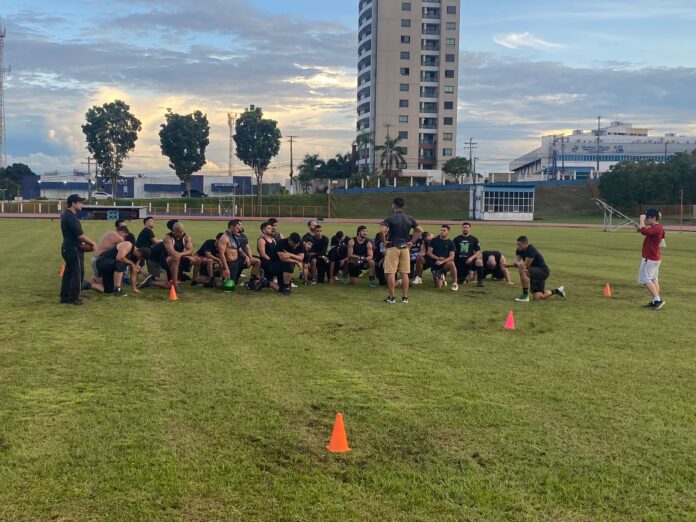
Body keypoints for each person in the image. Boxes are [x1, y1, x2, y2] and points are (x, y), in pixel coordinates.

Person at [380, 197, 423, 304]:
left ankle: (392, 297)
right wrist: (411, 241)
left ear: (393, 205)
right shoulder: (409, 218)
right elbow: (420, 231)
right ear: (403, 206)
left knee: (391, 272)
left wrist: (384, 241)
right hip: (405, 248)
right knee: (404, 273)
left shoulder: (390, 218)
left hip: (393, 247)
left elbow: (382, 231)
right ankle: (405, 298)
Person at [60, 194, 96, 305]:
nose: (81, 204)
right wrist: (93, 243)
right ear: (73, 203)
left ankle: (65, 296)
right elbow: (80, 235)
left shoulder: (66, 214)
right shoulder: (70, 216)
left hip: (68, 247)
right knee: (77, 273)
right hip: (73, 248)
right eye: (79, 202)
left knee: (69, 273)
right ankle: (73, 298)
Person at [513, 236, 565, 302]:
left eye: (519, 244)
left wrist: (519, 265)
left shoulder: (531, 250)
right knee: (538, 297)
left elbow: (526, 266)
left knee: (523, 270)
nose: (517, 246)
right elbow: (515, 261)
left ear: (525, 244)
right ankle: (558, 291)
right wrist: (518, 264)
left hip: (542, 271)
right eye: (517, 244)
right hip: (534, 271)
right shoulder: (519, 250)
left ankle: (525, 296)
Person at [637, 208, 666, 309]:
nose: (646, 219)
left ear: (654, 218)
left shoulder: (657, 228)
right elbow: (646, 231)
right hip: (654, 257)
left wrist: (641, 222)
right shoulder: (658, 228)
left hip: (650, 257)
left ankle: (658, 299)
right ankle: (655, 300)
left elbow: (644, 231)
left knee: (646, 279)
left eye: (648, 218)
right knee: (654, 280)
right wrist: (642, 227)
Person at [162, 222, 195, 291]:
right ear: (174, 231)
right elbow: (172, 253)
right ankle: (175, 284)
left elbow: (190, 250)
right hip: (167, 259)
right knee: (175, 259)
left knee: (197, 260)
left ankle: (195, 281)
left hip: (180, 256)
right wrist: (182, 254)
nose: (182, 233)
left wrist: (181, 254)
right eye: (180, 232)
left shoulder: (186, 237)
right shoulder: (167, 238)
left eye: (183, 231)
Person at [427, 225, 458, 290]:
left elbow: (452, 256)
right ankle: (442, 278)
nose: (442, 232)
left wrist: (442, 261)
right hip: (435, 264)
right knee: (438, 286)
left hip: (445, 264)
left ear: (448, 232)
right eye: (441, 230)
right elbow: (429, 253)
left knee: (451, 263)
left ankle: (454, 283)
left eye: (444, 230)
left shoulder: (451, 243)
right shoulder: (433, 241)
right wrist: (438, 258)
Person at [453, 222, 484, 287]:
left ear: (470, 229)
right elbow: (453, 251)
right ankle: (464, 278)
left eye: (467, 227)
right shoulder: (456, 239)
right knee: (461, 281)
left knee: (479, 262)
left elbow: (478, 251)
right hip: (459, 262)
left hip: (470, 261)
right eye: (464, 227)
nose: (465, 229)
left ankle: (480, 281)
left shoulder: (474, 239)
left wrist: (471, 258)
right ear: (462, 228)